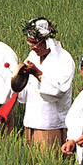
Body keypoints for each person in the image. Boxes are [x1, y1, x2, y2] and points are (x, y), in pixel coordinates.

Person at [15, 18, 75, 148]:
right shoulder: (32, 56)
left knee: (50, 163)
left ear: (46, 40)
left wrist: (38, 73)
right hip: (30, 120)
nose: (32, 47)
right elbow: (24, 90)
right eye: (29, 43)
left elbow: (59, 90)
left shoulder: (64, 59)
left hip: (50, 123)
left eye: (35, 43)